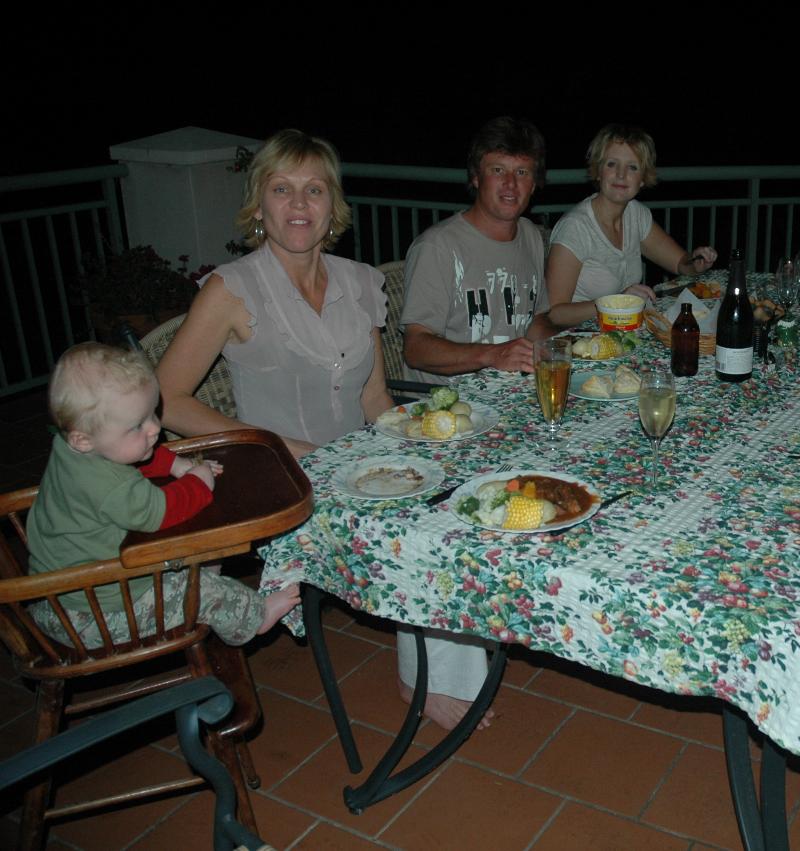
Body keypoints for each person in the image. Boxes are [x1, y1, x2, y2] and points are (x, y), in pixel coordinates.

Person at [155, 129, 487, 731]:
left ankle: (446, 667)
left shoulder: (360, 282)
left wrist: (417, 437)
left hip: (354, 463)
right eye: (282, 189)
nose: (299, 204)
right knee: (415, 526)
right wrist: (273, 445)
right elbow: (168, 399)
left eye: (314, 189)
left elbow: (374, 396)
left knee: (454, 488)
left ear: (333, 205)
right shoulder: (233, 288)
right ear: (259, 205)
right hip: (271, 474)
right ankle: (430, 681)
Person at [27, 343, 299, 648]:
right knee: (201, 593)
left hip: (62, 593)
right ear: (83, 439)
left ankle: (204, 567)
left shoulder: (77, 448)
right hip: (95, 614)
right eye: (137, 426)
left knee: (187, 561)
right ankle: (254, 616)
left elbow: (137, 456)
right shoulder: (105, 484)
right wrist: (198, 480)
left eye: (152, 414)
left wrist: (177, 464)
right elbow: (161, 511)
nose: (154, 429)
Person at [399, 116, 557, 385]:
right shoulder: (438, 247)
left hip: (512, 392)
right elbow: (415, 349)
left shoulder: (531, 235)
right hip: (447, 407)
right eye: (498, 170)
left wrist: (568, 346)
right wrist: (493, 354)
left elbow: (535, 320)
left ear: (533, 184)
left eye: (522, 172)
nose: (510, 183)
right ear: (476, 177)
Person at [546, 124, 716, 328]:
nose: (620, 174)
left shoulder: (636, 214)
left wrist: (695, 262)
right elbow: (554, 314)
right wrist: (616, 302)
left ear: (643, 179)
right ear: (598, 171)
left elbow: (680, 263)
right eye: (611, 164)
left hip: (622, 333)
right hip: (579, 340)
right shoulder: (574, 228)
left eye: (632, 167)